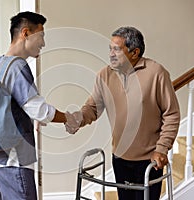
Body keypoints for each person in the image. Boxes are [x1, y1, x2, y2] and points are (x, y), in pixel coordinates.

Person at [65, 26, 180, 200]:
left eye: (117, 49)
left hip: (149, 160)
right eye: (110, 48)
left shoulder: (157, 73)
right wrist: (76, 119)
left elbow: (171, 114)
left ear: (135, 52)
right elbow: (92, 108)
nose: (111, 53)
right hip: (120, 158)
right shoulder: (104, 76)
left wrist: (162, 149)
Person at [0, 11, 72, 200]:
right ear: (25, 33)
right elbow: (40, 111)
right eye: (41, 36)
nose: (43, 43)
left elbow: (8, 106)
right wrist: (69, 118)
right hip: (15, 160)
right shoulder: (17, 66)